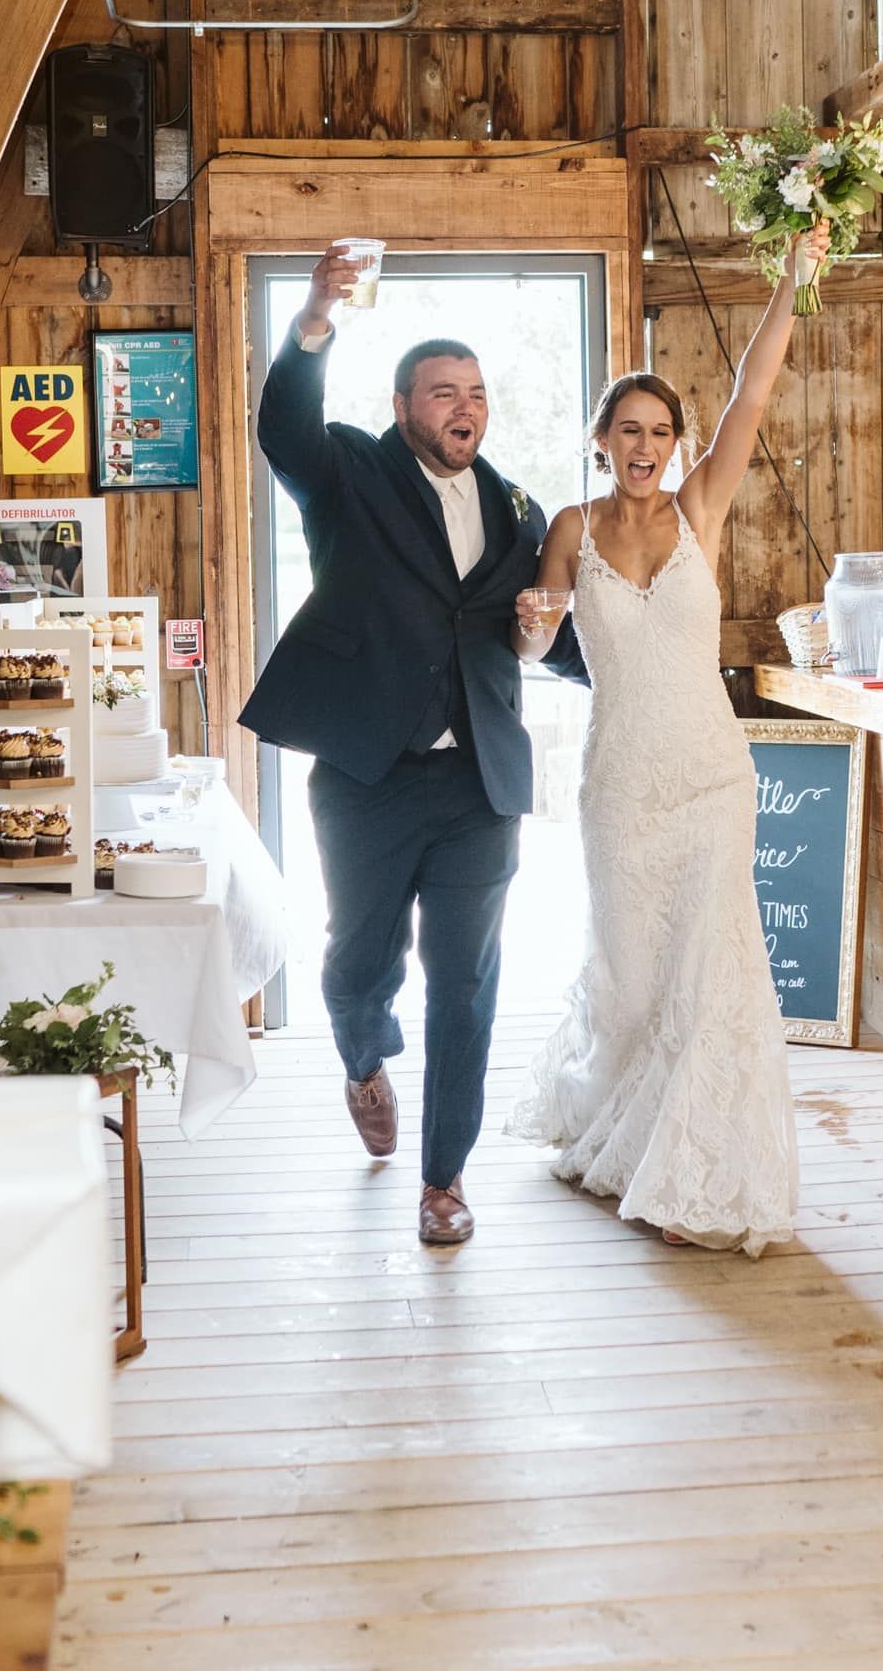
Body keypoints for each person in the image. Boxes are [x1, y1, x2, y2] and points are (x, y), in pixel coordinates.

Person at [240, 245, 587, 1245]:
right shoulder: (351, 471)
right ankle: (359, 1058)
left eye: (475, 391)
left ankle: (444, 1178)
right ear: (404, 406)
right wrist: (313, 318)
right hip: (367, 774)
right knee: (356, 963)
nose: (462, 406)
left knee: (468, 979)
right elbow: (283, 429)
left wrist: (608, 656)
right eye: (443, 392)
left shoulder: (519, 509)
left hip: (481, 782)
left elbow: (548, 632)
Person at [506, 221, 831, 1253]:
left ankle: (703, 1164)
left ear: (676, 444)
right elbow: (539, 632)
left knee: (715, 973)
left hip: (708, 774)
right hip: (620, 782)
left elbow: (753, 392)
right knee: (635, 973)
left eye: (659, 432)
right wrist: (528, 625)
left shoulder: (700, 507)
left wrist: (791, 279)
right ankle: (624, 1132)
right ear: (600, 438)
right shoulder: (569, 525)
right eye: (627, 431)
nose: (644, 448)